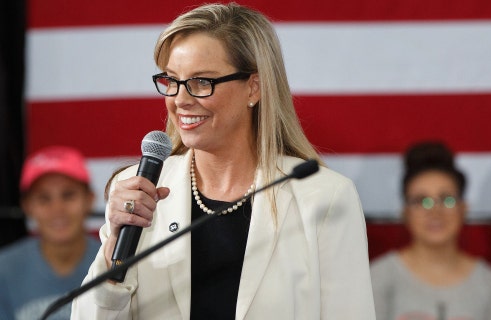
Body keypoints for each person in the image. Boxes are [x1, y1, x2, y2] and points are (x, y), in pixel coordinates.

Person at [71, 3, 375, 319]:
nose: (180, 99)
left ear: (253, 88)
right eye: (172, 80)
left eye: (202, 81)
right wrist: (112, 259)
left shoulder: (324, 197)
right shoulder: (139, 190)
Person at [371, 141, 491, 320]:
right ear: (405, 213)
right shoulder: (377, 278)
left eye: (447, 200)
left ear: (463, 208)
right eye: (421, 201)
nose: (435, 211)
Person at [0, 146, 100, 320]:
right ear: (27, 206)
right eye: (44, 198)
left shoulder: (115, 263)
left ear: (89, 200)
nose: (57, 210)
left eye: (68, 195)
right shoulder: (4, 270)